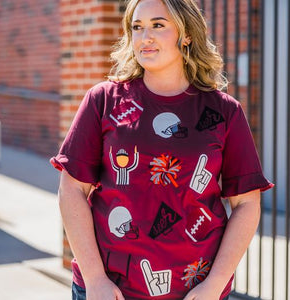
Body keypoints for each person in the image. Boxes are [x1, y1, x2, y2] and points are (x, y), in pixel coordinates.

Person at [50, 0, 273, 299]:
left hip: (196, 290)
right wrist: (94, 279)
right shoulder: (103, 100)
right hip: (110, 289)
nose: (145, 37)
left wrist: (215, 283)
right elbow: (72, 189)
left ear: (187, 34)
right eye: (137, 27)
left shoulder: (224, 111)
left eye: (158, 25)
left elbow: (246, 203)